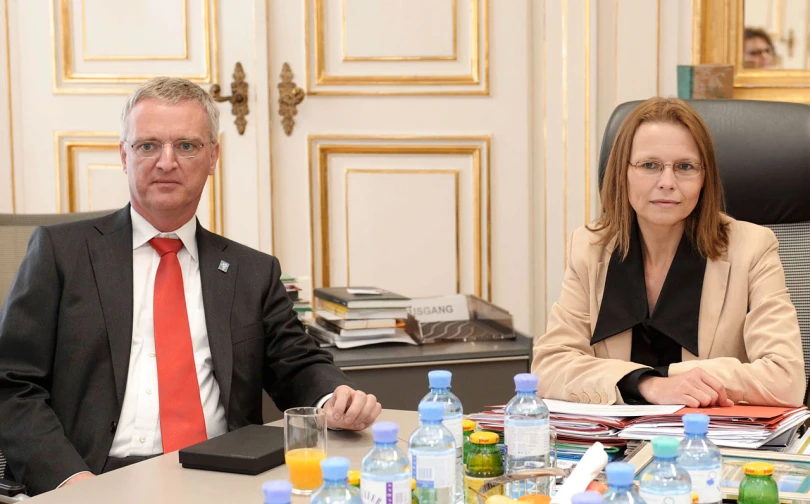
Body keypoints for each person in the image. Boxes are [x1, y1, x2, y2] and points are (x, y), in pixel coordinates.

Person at [0, 77, 381, 495]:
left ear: (213, 156)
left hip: (226, 473)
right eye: (148, 145)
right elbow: (13, 384)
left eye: (186, 145)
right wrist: (71, 482)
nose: (166, 162)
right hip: (97, 477)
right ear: (123, 156)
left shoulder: (252, 271)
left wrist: (335, 400)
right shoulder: (61, 252)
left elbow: (298, 363)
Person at [532, 97, 805, 408]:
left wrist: (677, 379)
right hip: (615, 446)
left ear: (705, 178)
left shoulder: (753, 247)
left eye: (685, 167)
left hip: (709, 444)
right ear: (623, 172)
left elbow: (787, 380)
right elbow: (549, 367)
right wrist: (648, 384)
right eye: (650, 165)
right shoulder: (590, 247)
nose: (667, 182)